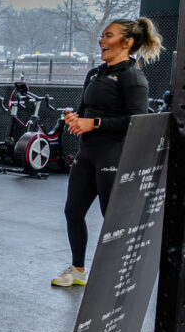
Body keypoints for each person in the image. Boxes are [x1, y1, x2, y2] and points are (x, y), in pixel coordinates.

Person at [52, 17, 163, 287]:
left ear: (127, 42)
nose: (102, 40)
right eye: (102, 35)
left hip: (113, 155)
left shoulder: (133, 77)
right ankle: (78, 270)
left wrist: (95, 123)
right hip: (87, 153)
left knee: (112, 219)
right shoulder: (95, 74)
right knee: (73, 212)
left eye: (108, 35)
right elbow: (84, 110)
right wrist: (74, 118)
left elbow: (137, 121)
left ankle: (123, 276)